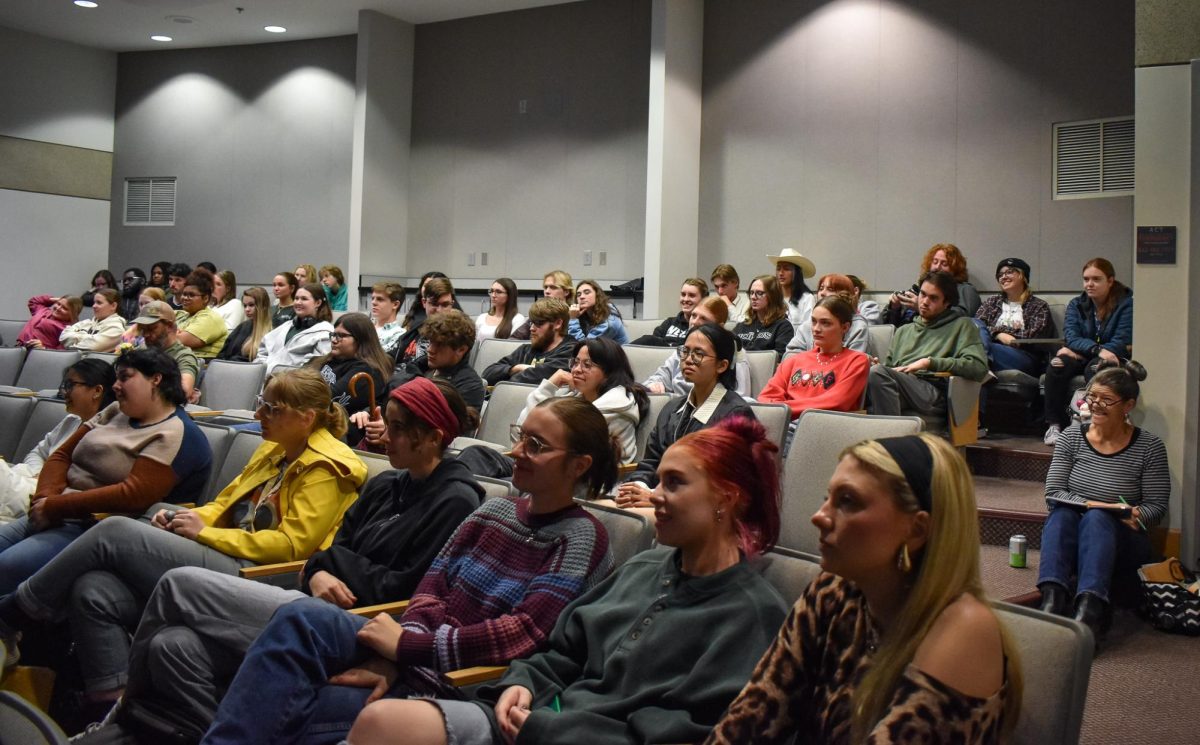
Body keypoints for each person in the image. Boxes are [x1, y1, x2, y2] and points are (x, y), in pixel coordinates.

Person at [74, 378, 484, 744]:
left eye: (396, 428)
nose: (382, 434)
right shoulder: (388, 483)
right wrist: (323, 568)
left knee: (177, 583)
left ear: (431, 437)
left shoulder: (456, 500)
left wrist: (328, 565)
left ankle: (122, 715)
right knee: (172, 646)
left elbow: (405, 586)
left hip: (357, 623)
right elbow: (330, 548)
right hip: (317, 599)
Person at [197, 396, 618, 744]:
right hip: (412, 654)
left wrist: (407, 651)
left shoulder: (581, 539)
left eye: (536, 445)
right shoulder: (495, 510)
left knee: (284, 704)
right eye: (519, 437)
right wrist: (400, 653)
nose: (516, 452)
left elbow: (523, 634)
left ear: (579, 465)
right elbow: (431, 589)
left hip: (462, 683)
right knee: (299, 620)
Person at [348, 418, 789, 745]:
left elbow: (688, 731)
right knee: (382, 724)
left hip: (562, 735)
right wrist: (523, 684)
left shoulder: (752, 615)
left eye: (673, 484)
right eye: (657, 481)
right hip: (527, 720)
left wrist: (553, 727)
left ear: (727, 499)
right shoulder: (643, 569)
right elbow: (559, 653)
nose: (654, 496)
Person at [0, 368, 366, 726]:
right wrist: (184, 520)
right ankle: (112, 709)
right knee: (93, 590)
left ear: (307, 417)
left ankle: (15, 611)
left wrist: (203, 534)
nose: (259, 415)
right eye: (261, 403)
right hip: (227, 553)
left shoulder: (328, 468)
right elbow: (221, 506)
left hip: (261, 577)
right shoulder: (275, 450)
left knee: (113, 532)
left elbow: (290, 546)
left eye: (272, 409)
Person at [707, 434, 1022, 743]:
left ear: (917, 529)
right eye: (826, 498)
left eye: (847, 501)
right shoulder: (832, 591)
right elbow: (753, 717)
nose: (819, 517)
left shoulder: (964, 629)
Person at [0, 348, 212, 597]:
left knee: (6, 568)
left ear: (156, 379)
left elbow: (132, 495)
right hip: (56, 510)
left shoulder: (178, 433)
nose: (116, 386)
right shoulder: (115, 411)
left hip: (93, 527)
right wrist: (45, 499)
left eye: (125, 377)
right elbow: (60, 456)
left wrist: (55, 506)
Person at [1036, 366, 1166, 642]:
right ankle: (1052, 598)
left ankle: (1090, 608)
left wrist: (1138, 515)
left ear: (1128, 405)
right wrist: (1100, 504)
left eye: (1105, 400)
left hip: (1125, 541)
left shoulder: (1150, 447)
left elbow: (1156, 506)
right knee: (1061, 516)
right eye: (1091, 397)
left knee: (1097, 519)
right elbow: (1054, 492)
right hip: (1077, 530)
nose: (1094, 405)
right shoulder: (1071, 437)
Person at [460, 338, 648, 477]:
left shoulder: (617, 408)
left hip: (570, 478)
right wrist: (550, 385)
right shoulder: (570, 396)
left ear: (609, 373)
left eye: (587, 365)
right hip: (541, 464)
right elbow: (523, 433)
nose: (577, 369)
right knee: (476, 454)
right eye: (575, 362)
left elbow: (600, 465)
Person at [615, 323, 755, 508]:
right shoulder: (672, 408)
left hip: (708, 513)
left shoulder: (736, 415)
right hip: (665, 501)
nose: (688, 359)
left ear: (722, 365)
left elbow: (724, 482)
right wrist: (638, 488)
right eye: (685, 351)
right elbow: (651, 461)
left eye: (698, 354)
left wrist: (660, 497)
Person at [0, 359, 116, 524]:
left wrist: (47, 482)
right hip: (32, 482)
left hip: (51, 497)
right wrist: (39, 474)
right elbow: (38, 452)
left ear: (97, 391)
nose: (64, 392)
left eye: (70, 385)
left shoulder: (107, 433)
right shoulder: (71, 421)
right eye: (64, 386)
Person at [867, 271, 986, 417]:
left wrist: (929, 362)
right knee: (867, 374)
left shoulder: (962, 325)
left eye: (933, 298)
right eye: (923, 294)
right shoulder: (903, 331)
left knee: (877, 374)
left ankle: (891, 436)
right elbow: (891, 369)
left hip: (933, 390)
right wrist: (879, 366)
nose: (924, 302)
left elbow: (978, 366)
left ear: (947, 302)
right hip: (903, 385)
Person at [1043, 258, 1133, 446]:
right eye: (1086, 279)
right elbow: (1071, 336)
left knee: (1096, 368)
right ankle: (1055, 425)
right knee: (1056, 366)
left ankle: (1090, 424)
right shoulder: (1076, 304)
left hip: (1108, 356)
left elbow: (1122, 340)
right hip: (1089, 353)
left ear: (1110, 281)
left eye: (1096, 279)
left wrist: (1086, 350)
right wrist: (1096, 349)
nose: (1089, 284)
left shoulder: (1126, 304)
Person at [760, 294, 871, 422]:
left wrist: (783, 409)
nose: (816, 329)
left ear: (845, 327)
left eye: (825, 323)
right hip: (782, 421)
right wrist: (780, 412)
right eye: (813, 321)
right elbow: (766, 397)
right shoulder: (794, 360)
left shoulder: (857, 361)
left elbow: (836, 403)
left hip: (823, 426)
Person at [643, 296, 751, 397]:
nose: (694, 322)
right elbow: (659, 377)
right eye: (693, 316)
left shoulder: (735, 353)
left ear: (720, 327)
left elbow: (741, 397)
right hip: (678, 408)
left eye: (704, 319)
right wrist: (655, 385)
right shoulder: (684, 349)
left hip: (714, 409)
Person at [313, 313, 391, 445]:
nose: (334, 340)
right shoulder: (325, 359)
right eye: (333, 334)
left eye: (341, 336)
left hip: (338, 435)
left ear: (361, 339)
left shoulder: (367, 371)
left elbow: (327, 397)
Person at [387, 309, 485, 412]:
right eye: (431, 342)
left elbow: (453, 426)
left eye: (439, 345)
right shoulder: (418, 367)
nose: (430, 349)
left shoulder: (470, 386)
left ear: (461, 350)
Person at [481, 298, 576, 386]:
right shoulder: (526, 350)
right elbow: (488, 374)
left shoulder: (572, 351)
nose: (531, 328)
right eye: (531, 322)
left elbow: (537, 377)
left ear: (558, 324)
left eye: (539, 323)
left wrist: (503, 380)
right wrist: (516, 368)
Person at [887, 243, 981, 325]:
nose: (937, 267)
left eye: (944, 264)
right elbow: (889, 326)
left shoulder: (965, 289)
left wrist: (922, 307)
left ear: (955, 269)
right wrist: (895, 308)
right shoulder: (920, 288)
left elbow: (964, 319)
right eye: (935, 262)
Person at [257, 283, 335, 374]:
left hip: (292, 384)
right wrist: (263, 368)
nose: (298, 302)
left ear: (318, 303)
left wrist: (282, 375)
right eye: (296, 298)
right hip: (265, 380)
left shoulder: (325, 332)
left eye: (304, 299)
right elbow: (263, 349)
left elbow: (315, 366)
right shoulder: (287, 326)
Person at [132, 301, 201, 401]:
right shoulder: (140, 350)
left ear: (169, 326)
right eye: (143, 329)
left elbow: (183, 391)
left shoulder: (183, 356)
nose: (145, 334)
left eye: (152, 329)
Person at [784, 273, 869, 353]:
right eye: (821, 289)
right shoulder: (807, 325)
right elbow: (790, 355)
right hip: (805, 368)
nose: (822, 293)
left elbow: (855, 361)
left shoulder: (858, 327)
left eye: (830, 289)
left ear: (845, 294)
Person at [394, 277, 457, 367]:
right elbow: (392, 355)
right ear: (424, 302)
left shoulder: (456, 337)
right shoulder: (416, 329)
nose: (439, 310)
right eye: (434, 304)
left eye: (445, 305)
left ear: (452, 304)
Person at [630, 278, 708, 346]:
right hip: (661, 359)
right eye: (683, 294)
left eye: (691, 295)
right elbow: (653, 346)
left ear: (704, 299)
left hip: (683, 358)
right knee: (648, 339)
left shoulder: (704, 326)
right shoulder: (669, 322)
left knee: (648, 339)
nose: (686, 299)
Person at [732, 274, 794, 359]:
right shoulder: (742, 326)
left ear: (773, 296)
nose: (753, 297)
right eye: (751, 293)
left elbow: (780, 359)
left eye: (759, 293)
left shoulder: (783, 327)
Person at [174, 269, 229, 359]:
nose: (185, 298)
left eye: (191, 295)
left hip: (202, 367)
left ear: (205, 298)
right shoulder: (180, 314)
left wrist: (172, 332)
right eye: (184, 294)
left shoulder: (210, 318)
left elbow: (178, 341)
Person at [511, 270, 574, 340]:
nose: (547, 291)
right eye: (545, 287)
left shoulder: (574, 316)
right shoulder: (539, 313)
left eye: (553, 287)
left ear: (566, 292)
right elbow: (514, 339)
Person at [59, 288, 126, 352]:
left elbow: (91, 348)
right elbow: (62, 337)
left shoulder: (116, 328)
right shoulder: (86, 322)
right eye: (94, 302)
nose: (93, 306)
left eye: (99, 303)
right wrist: (88, 337)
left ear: (113, 306)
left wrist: (74, 338)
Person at [216, 287, 273, 362]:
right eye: (245, 305)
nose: (247, 309)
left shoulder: (272, 332)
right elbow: (223, 353)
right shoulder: (242, 326)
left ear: (263, 306)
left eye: (251, 305)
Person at [768, 248, 817, 330]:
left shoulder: (807, 298)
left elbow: (808, 328)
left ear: (796, 273)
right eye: (778, 268)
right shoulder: (772, 297)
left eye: (786, 269)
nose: (781, 273)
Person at [16, 295, 80, 350]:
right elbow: (34, 301)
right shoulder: (44, 311)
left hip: (36, 354)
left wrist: (44, 348)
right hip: (18, 348)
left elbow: (61, 352)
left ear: (73, 314)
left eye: (64, 308)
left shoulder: (68, 329)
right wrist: (56, 299)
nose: (58, 308)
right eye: (58, 304)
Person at [369, 281, 406, 354]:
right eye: (373, 298)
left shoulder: (399, 334)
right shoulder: (364, 325)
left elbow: (380, 358)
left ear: (395, 304)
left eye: (380, 299)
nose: (373, 302)